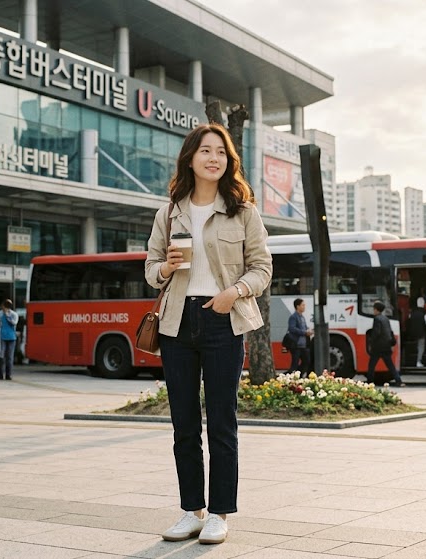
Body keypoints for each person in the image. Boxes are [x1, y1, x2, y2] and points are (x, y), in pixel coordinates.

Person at [145, 123, 272, 546]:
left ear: (228, 161)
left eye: (221, 151)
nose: (213, 158)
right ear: (190, 158)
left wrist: (232, 292)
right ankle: (190, 510)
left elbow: (263, 268)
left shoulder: (243, 211)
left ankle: (219, 513)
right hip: (177, 321)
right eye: (205, 151)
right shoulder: (169, 211)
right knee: (183, 423)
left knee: (221, 422)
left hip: (223, 319)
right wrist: (164, 267)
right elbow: (149, 271)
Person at [367, 301, 404, 387]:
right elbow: (390, 332)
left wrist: (371, 341)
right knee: (390, 365)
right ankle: (398, 380)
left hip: (378, 347)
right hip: (387, 346)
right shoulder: (386, 319)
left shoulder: (377, 319)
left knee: (372, 365)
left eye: (374, 309)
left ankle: (370, 382)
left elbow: (377, 332)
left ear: (376, 309)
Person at [0, 299, 18, 380]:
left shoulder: (14, 314)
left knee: (9, 357)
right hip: (2, 337)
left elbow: (14, 323)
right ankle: (0, 374)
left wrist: (7, 315)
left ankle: (8, 374)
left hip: (11, 337)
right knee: (1, 356)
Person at [287, 298, 312, 375]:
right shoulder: (293, 317)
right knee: (295, 363)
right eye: (302, 305)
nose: (304, 307)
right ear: (297, 306)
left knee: (307, 361)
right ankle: (290, 376)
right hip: (296, 344)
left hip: (303, 345)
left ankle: (299, 376)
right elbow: (292, 328)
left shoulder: (302, 317)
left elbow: (304, 327)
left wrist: (308, 330)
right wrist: (304, 332)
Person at [407, 297, 426, 368]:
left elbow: (409, 321)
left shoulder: (412, 313)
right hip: (421, 333)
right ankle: (418, 361)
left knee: (414, 346)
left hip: (412, 333)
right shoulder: (424, 313)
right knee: (421, 346)